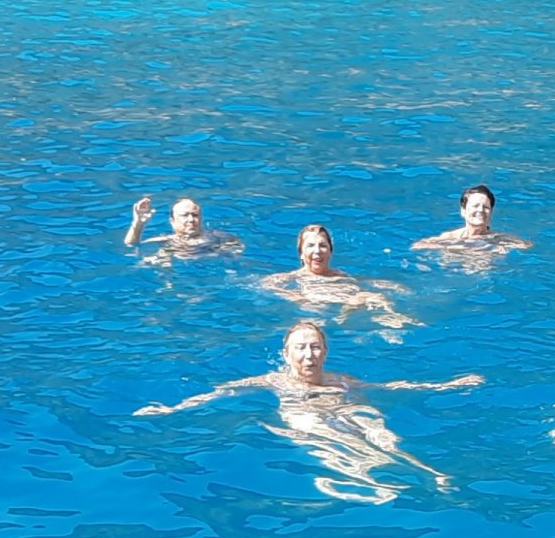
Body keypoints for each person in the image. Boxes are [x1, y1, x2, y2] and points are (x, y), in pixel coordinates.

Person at [134, 321, 483, 503]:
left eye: (315, 347)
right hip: (306, 415)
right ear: (286, 354)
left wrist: (444, 387)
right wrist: (174, 408)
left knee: (380, 433)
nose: (308, 355)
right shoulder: (274, 380)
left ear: (326, 351)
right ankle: (368, 478)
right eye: (300, 348)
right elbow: (223, 391)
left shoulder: (340, 379)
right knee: (330, 438)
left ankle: (428, 471)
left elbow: (389, 387)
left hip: (344, 407)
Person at [260, 224, 415, 332]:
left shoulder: (340, 275)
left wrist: (383, 284)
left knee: (377, 297)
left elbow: (359, 282)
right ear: (301, 253)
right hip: (326, 314)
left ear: (330, 251)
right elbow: (266, 284)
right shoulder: (293, 278)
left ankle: (389, 319)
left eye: (322, 246)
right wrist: (298, 298)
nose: (317, 251)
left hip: (351, 303)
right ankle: (351, 318)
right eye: (310, 246)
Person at [123, 195, 243, 261]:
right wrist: (138, 223)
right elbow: (132, 245)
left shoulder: (219, 237)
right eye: (185, 215)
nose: (191, 219)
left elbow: (238, 253)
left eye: (195, 215)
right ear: (172, 221)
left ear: (201, 218)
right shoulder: (166, 241)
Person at [413, 184, 530, 250]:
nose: (480, 210)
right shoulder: (450, 237)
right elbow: (417, 246)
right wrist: (458, 245)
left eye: (486, 207)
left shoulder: (499, 239)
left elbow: (526, 246)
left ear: (491, 213)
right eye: (475, 206)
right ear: (463, 211)